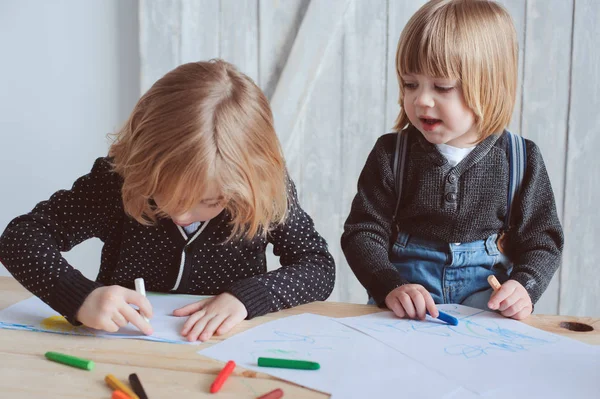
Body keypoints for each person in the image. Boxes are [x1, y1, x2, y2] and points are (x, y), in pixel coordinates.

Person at [0, 59, 335, 341]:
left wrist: (248, 298)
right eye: (164, 194)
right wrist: (80, 296)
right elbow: (19, 239)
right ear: (141, 162)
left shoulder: (264, 189)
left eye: (209, 201)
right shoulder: (119, 180)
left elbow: (318, 267)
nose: (181, 214)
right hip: (122, 351)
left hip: (225, 353)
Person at [341, 0, 563, 321]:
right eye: (410, 84)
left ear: (488, 88)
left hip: (487, 305)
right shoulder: (392, 154)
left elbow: (542, 240)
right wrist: (389, 285)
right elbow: (362, 232)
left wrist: (524, 287)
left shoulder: (520, 159)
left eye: (442, 87)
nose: (421, 100)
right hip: (409, 303)